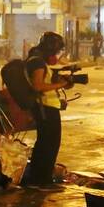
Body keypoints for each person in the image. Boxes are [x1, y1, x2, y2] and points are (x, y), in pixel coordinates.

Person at [20, 32, 74, 189]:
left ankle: (39, 178)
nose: (57, 54)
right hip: (45, 107)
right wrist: (60, 85)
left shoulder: (37, 60)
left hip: (47, 106)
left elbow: (44, 83)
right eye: (56, 50)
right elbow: (38, 86)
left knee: (46, 142)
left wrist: (60, 82)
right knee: (48, 144)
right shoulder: (37, 63)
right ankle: (41, 180)